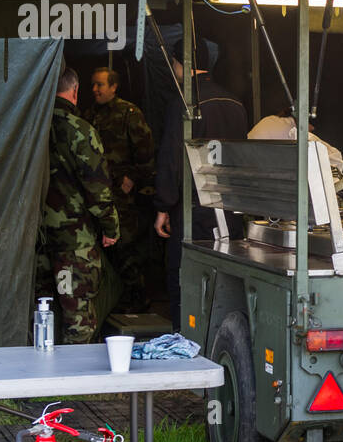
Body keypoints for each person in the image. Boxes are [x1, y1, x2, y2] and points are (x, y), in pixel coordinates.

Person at [154, 38, 248, 327]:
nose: (173, 69)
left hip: (193, 210)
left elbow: (171, 158)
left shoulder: (183, 104)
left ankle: (186, 341)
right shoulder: (235, 103)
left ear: (184, 65)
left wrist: (162, 205)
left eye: (173, 62)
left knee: (185, 278)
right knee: (225, 280)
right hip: (230, 210)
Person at [36, 66, 119, 344]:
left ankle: (38, 372)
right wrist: (110, 227)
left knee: (41, 309)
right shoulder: (81, 130)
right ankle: (75, 379)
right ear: (74, 91)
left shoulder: (30, 128)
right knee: (78, 313)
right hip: (75, 240)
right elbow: (98, 190)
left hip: (34, 237)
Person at [84, 67, 155, 311]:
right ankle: (112, 302)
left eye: (100, 85)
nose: (95, 89)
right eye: (93, 85)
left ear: (113, 87)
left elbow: (145, 151)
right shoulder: (90, 114)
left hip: (122, 196)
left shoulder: (129, 113)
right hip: (99, 193)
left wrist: (132, 179)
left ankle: (137, 302)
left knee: (126, 248)